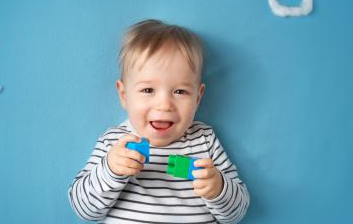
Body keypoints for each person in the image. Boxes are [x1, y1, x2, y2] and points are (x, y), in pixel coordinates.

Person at [69, 19, 250, 223]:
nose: (164, 105)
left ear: (198, 98)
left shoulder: (204, 140)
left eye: (180, 91)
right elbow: (84, 210)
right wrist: (110, 170)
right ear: (124, 95)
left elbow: (236, 215)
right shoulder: (115, 142)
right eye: (148, 90)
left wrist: (218, 188)